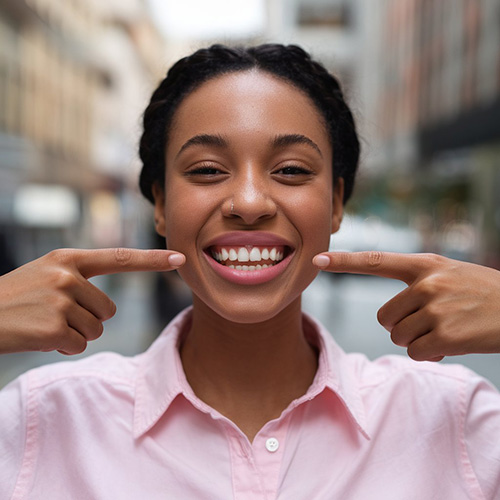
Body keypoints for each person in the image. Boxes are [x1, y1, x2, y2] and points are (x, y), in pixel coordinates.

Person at [0, 44, 499, 499]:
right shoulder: (40, 417)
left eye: (291, 171)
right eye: (207, 171)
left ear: (336, 203)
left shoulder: (456, 418)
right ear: (160, 204)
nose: (249, 203)